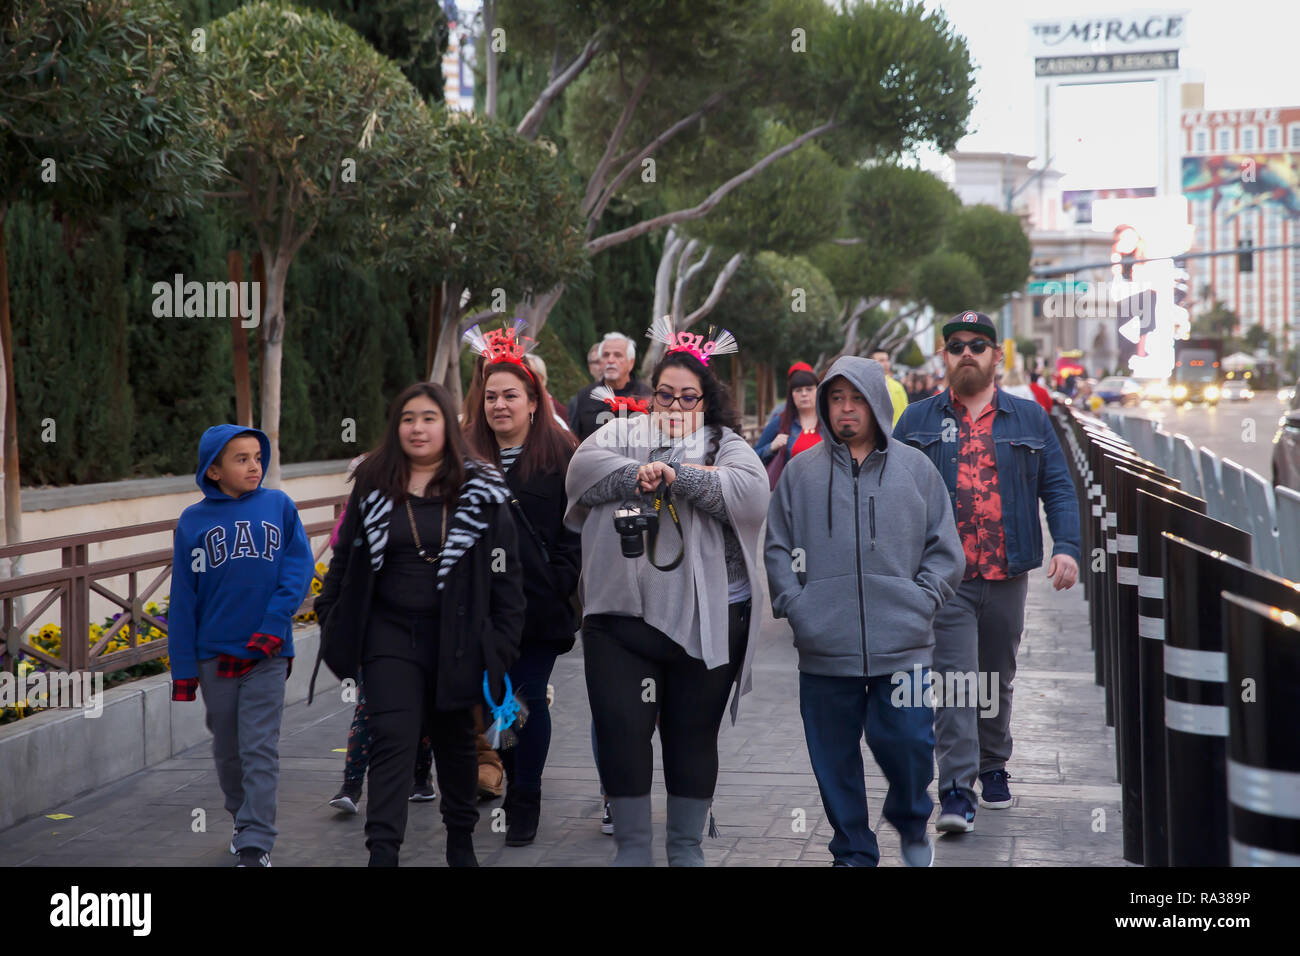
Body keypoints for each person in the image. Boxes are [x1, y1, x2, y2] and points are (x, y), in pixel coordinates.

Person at [564, 317, 769, 866]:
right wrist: (637, 476)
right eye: (665, 394)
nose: (675, 406)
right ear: (650, 395)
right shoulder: (618, 434)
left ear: (706, 401)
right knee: (622, 734)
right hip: (620, 623)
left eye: (688, 397)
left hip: (708, 623)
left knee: (691, 739)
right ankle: (632, 852)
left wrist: (680, 475)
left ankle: (686, 851)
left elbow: (750, 496)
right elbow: (581, 472)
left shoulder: (727, 445)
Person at [311, 382, 526, 867]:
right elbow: (345, 557)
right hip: (388, 635)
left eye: (429, 418)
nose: (417, 427)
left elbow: (506, 576)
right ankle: (382, 851)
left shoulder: (483, 489)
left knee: (453, 739)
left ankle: (460, 840)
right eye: (408, 418)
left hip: (459, 639)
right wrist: (331, 614)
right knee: (393, 738)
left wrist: (500, 645)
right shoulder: (374, 482)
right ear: (396, 427)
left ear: (448, 425)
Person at [764, 357, 963, 867]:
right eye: (836, 399)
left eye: (856, 399)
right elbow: (778, 547)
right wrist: (796, 605)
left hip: (905, 647)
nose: (845, 409)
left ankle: (912, 821)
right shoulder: (801, 472)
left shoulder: (916, 469)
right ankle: (853, 851)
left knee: (909, 747)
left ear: (876, 403)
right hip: (824, 649)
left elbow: (945, 550)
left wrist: (922, 602)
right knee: (834, 763)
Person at [892, 311, 1080, 833]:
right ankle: (956, 790)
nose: (967, 352)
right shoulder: (917, 421)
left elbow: (1059, 487)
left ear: (998, 355)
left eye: (978, 344)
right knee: (955, 679)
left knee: (996, 674)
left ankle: (993, 764)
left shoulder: (1028, 418)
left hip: (1007, 571)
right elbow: (892, 498)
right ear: (945, 356)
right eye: (956, 345)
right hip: (943, 578)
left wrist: (1066, 546)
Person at [168, 424, 314, 867]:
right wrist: (183, 670)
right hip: (215, 656)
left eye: (257, 457)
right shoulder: (193, 522)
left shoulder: (279, 505)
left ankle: (256, 841)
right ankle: (241, 817)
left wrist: (274, 625)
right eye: (241, 459)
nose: (254, 466)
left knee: (259, 747)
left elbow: (298, 567)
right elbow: (183, 598)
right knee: (228, 751)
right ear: (213, 471)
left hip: (268, 652)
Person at [463, 323, 582, 846]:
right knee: (497, 702)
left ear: (534, 401)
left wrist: (559, 579)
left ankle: (525, 798)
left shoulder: (561, 457)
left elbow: (574, 532)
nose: (499, 405)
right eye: (490, 396)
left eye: (511, 395)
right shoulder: (464, 459)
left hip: (538, 611)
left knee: (528, 697)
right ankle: (508, 775)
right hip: (481, 612)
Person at [568, 332, 654, 441]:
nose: (610, 360)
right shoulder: (584, 396)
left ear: (631, 363)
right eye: (606, 355)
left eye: (618, 355)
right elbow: (573, 441)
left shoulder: (646, 396)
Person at [753, 362, 821, 489]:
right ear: (791, 395)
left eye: (809, 389)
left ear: (818, 390)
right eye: (798, 390)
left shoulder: (830, 423)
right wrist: (771, 447)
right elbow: (752, 457)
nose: (804, 394)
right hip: (790, 496)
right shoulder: (780, 421)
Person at [868, 348, 908, 425]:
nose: (886, 364)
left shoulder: (897, 387)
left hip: (895, 434)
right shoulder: (864, 385)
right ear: (871, 363)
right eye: (882, 360)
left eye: (887, 360)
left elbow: (906, 413)